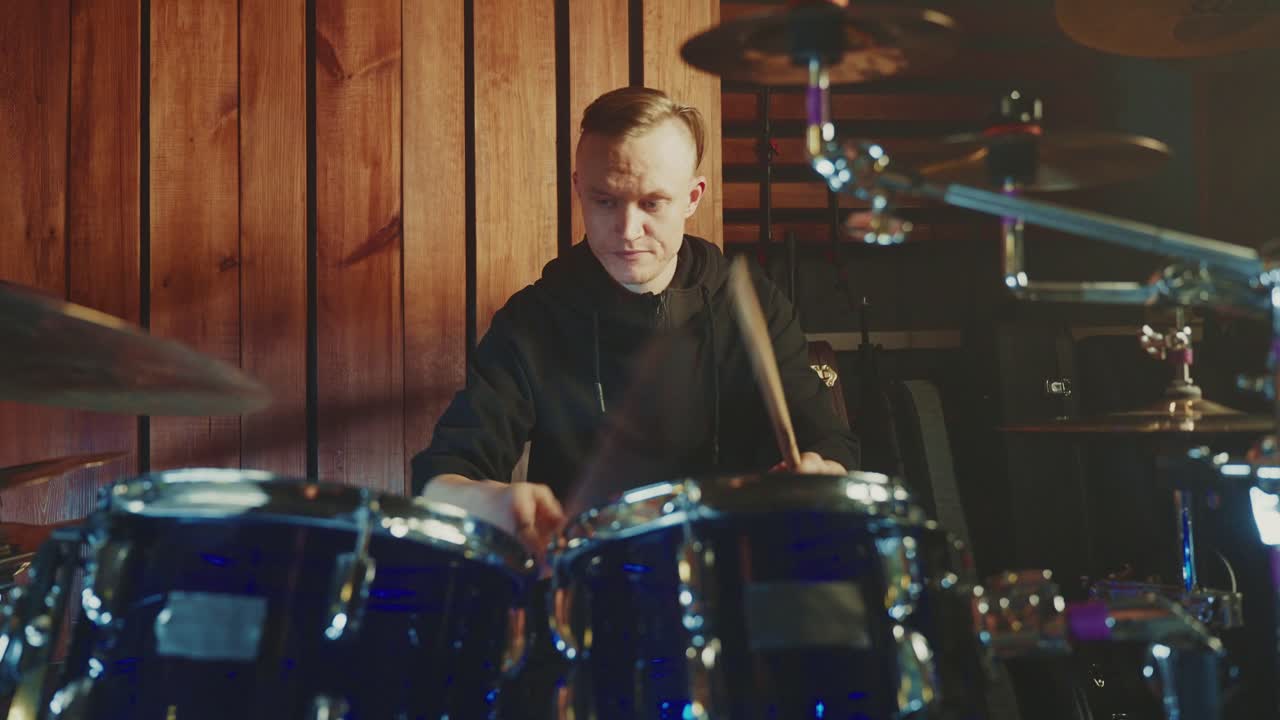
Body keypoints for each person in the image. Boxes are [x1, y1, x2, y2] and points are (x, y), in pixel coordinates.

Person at [410, 86, 859, 716]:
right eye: (604, 201)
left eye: (653, 203)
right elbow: (438, 475)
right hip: (592, 612)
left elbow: (831, 443)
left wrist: (819, 474)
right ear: (578, 188)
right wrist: (491, 499)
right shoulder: (536, 317)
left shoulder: (749, 304)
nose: (627, 230)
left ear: (693, 198)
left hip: (744, 603)